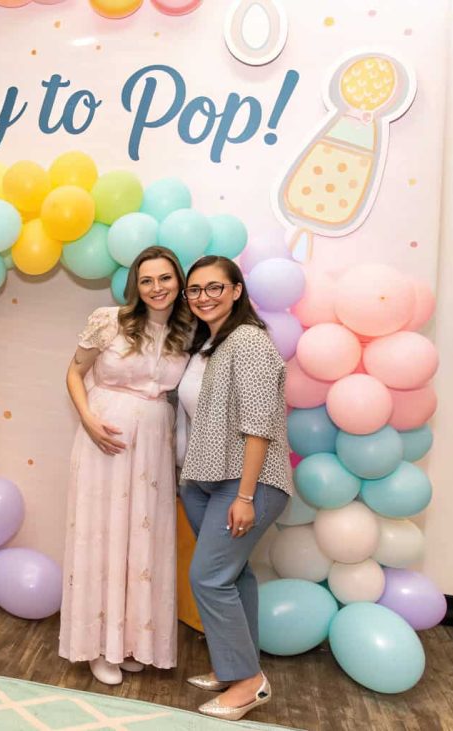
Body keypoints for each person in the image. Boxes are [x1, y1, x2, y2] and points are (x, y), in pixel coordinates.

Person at [59, 246, 193, 685]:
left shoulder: (187, 331)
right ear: (136, 283)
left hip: (154, 445)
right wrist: (88, 420)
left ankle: (133, 640)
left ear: (178, 282)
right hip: (106, 443)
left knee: (143, 539)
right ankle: (99, 646)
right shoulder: (109, 320)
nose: (157, 288)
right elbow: (74, 374)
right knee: (105, 534)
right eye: (148, 280)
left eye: (166, 279)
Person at [178, 255, 292, 721]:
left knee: (208, 577)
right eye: (195, 290)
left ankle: (248, 683)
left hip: (245, 483)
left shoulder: (248, 341)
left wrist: (245, 496)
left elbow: (260, 422)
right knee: (234, 575)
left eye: (214, 288)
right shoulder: (210, 344)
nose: (204, 297)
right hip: (204, 479)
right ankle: (235, 667)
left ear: (237, 290)